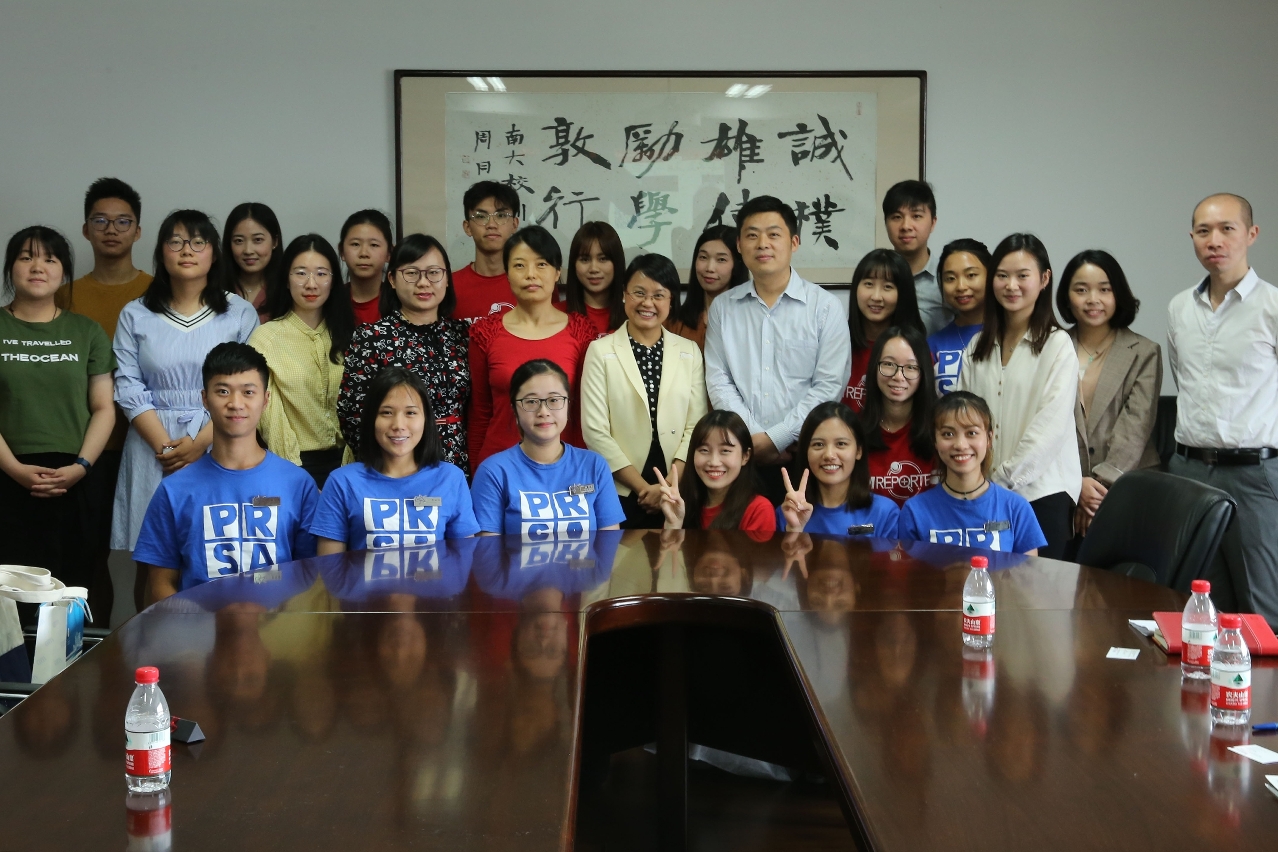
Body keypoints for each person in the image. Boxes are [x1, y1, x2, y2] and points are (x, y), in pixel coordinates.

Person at [112, 211, 259, 603]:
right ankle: (149, 642)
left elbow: (249, 385)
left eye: (197, 242)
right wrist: (166, 446)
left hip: (220, 441)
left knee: (217, 552)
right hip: (150, 445)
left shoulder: (239, 312)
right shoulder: (136, 313)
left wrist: (199, 443)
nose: (186, 251)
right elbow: (128, 384)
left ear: (214, 253)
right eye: (175, 242)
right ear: (162, 251)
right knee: (152, 562)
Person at [133, 343, 317, 602]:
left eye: (248, 392)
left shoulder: (298, 484)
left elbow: (311, 578)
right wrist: (191, 625)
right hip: (198, 625)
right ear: (205, 399)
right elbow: (160, 585)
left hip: (277, 624)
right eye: (223, 391)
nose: (235, 403)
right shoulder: (174, 490)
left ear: (265, 400)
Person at [1168, 193, 1278, 625]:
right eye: (1203, 231)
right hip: (1189, 470)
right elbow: (1184, 380)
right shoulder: (1180, 307)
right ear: (1192, 237)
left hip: (1254, 473)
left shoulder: (1272, 306)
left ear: (1251, 234)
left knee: (1260, 607)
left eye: (1226, 229)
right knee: (1199, 602)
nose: (1214, 240)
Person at [703, 196, 851, 504]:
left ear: (794, 242)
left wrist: (776, 438)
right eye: (752, 235)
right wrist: (751, 438)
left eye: (773, 234)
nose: (763, 244)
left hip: (805, 455)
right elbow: (719, 380)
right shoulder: (723, 308)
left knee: (804, 533)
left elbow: (829, 385)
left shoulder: (825, 307)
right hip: (741, 458)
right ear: (739, 245)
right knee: (743, 534)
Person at [0, 227, 116, 614]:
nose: (38, 267)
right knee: (12, 594)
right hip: (8, 474)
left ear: (63, 271)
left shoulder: (86, 331)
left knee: (73, 586)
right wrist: (14, 469)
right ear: (10, 267)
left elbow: (104, 407)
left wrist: (81, 466)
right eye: (26, 257)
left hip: (75, 476)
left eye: (49, 259)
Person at [56, 177, 154, 623]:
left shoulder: (158, 291)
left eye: (122, 221)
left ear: (138, 231)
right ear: (85, 229)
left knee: (154, 556)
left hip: (147, 442)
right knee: (89, 556)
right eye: (100, 220)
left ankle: (148, 650)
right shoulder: (65, 295)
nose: (111, 229)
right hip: (86, 445)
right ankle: (88, 651)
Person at [957, 234, 1079, 558]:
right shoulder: (977, 347)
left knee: (1038, 589)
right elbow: (961, 419)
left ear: (1044, 279)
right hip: (983, 494)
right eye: (1002, 275)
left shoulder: (1057, 345)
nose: (1011, 285)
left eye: (1022, 275)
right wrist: (977, 483)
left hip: (1042, 495)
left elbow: (1050, 428)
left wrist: (1000, 482)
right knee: (985, 582)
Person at [581, 253, 707, 528]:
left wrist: (669, 484)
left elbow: (696, 425)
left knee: (677, 554)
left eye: (659, 295)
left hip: (677, 485)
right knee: (621, 555)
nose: (648, 303)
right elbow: (595, 431)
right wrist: (642, 488)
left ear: (671, 300)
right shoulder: (600, 351)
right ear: (624, 294)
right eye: (639, 293)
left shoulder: (689, 351)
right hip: (621, 488)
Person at [468, 226, 595, 473]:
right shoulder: (485, 333)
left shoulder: (580, 333)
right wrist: (477, 472)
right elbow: (480, 414)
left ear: (557, 272)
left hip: (564, 468)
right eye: (519, 265)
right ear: (506, 273)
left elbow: (584, 414)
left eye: (541, 265)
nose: (530, 275)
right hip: (500, 469)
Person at [340, 233, 470, 471]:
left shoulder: (463, 335)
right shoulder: (372, 337)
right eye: (411, 273)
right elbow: (353, 415)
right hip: (396, 463)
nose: (423, 283)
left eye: (434, 273)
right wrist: (388, 464)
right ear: (391, 279)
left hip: (457, 462)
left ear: (447, 279)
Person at [314, 368, 478, 554]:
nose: (398, 425)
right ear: (371, 419)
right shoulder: (342, 482)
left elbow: (463, 560)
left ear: (426, 419)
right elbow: (330, 566)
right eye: (386, 412)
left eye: (410, 413)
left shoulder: (451, 478)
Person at [1056, 249, 1161, 537]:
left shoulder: (1144, 352)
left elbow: (1135, 427)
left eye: (1105, 289)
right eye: (1081, 290)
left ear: (1119, 294)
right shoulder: (1051, 346)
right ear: (1067, 297)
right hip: (1064, 487)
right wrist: (1077, 485)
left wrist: (1096, 490)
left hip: (1129, 485)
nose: (1093, 299)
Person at [471, 359, 624, 536]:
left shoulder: (594, 465)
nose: (543, 411)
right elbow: (488, 550)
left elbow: (608, 544)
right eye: (531, 402)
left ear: (568, 404)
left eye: (554, 400)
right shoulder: (494, 472)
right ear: (514, 409)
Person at [249, 234, 354, 488]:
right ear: (286, 279)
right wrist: (294, 474)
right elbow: (270, 418)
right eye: (301, 273)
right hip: (295, 465)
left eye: (321, 274)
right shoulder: (266, 339)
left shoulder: (349, 334)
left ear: (333, 280)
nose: (311, 284)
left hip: (350, 464)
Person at [898, 391, 1046, 554]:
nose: (960, 445)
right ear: (935, 440)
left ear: (989, 438)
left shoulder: (1016, 507)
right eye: (948, 434)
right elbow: (908, 569)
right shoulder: (914, 511)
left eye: (971, 433)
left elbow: (1028, 569)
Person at [776, 402, 900, 536]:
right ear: (806, 451)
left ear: (858, 451)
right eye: (818, 444)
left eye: (841, 444)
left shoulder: (884, 513)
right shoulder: (787, 513)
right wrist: (794, 531)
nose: (829, 455)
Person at [654, 409, 776, 536]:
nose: (714, 462)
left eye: (725, 451)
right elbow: (669, 549)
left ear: (745, 456)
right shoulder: (681, 504)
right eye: (704, 450)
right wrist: (673, 525)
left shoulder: (759, 510)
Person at [859, 326, 939, 507]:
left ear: (924, 372)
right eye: (888, 364)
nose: (898, 376)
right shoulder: (854, 431)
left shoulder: (940, 429)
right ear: (874, 367)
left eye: (911, 367)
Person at [844, 249, 925, 412]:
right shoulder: (837, 344)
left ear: (903, 294)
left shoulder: (916, 352)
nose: (876, 296)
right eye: (868, 284)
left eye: (888, 287)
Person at [666, 224, 749, 350]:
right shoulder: (674, 321)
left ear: (737, 266)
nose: (709, 268)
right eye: (703, 257)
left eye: (721, 259)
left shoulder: (749, 321)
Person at [882, 179, 949, 335]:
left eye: (916, 216)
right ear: (886, 223)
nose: (906, 226)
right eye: (897, 217)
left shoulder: (947, 277)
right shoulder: (875, 277)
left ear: (933, 223)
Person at [453, 180, 520, 324]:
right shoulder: (449, 286)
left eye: (501, 216)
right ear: (467, 227)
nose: (491, 225)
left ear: (514, 224)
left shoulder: (533, 283)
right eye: (481, 216)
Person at [929, 238, 990, 394]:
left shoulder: (1010, 335)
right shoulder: (933, 344)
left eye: (971, 275)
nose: (961, 286)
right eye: (950, 278)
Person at [221, 202, 282, 324]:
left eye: (258, 240)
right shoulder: (214, 289)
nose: (248, 250)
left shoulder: (287, 289)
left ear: (275, 241)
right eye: (239, 241)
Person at [563, 221, 625, 338]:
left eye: (603, 259)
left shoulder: (634, 316)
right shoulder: (554, 314)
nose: (594, 269)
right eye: (585, 259)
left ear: (617, 262)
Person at [341, 210, 393, 326]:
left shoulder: (401, 303)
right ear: (342, 251)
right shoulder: (328, 301)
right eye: (355, 244)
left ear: (389, 253)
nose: (364, 253)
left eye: (374, 245)